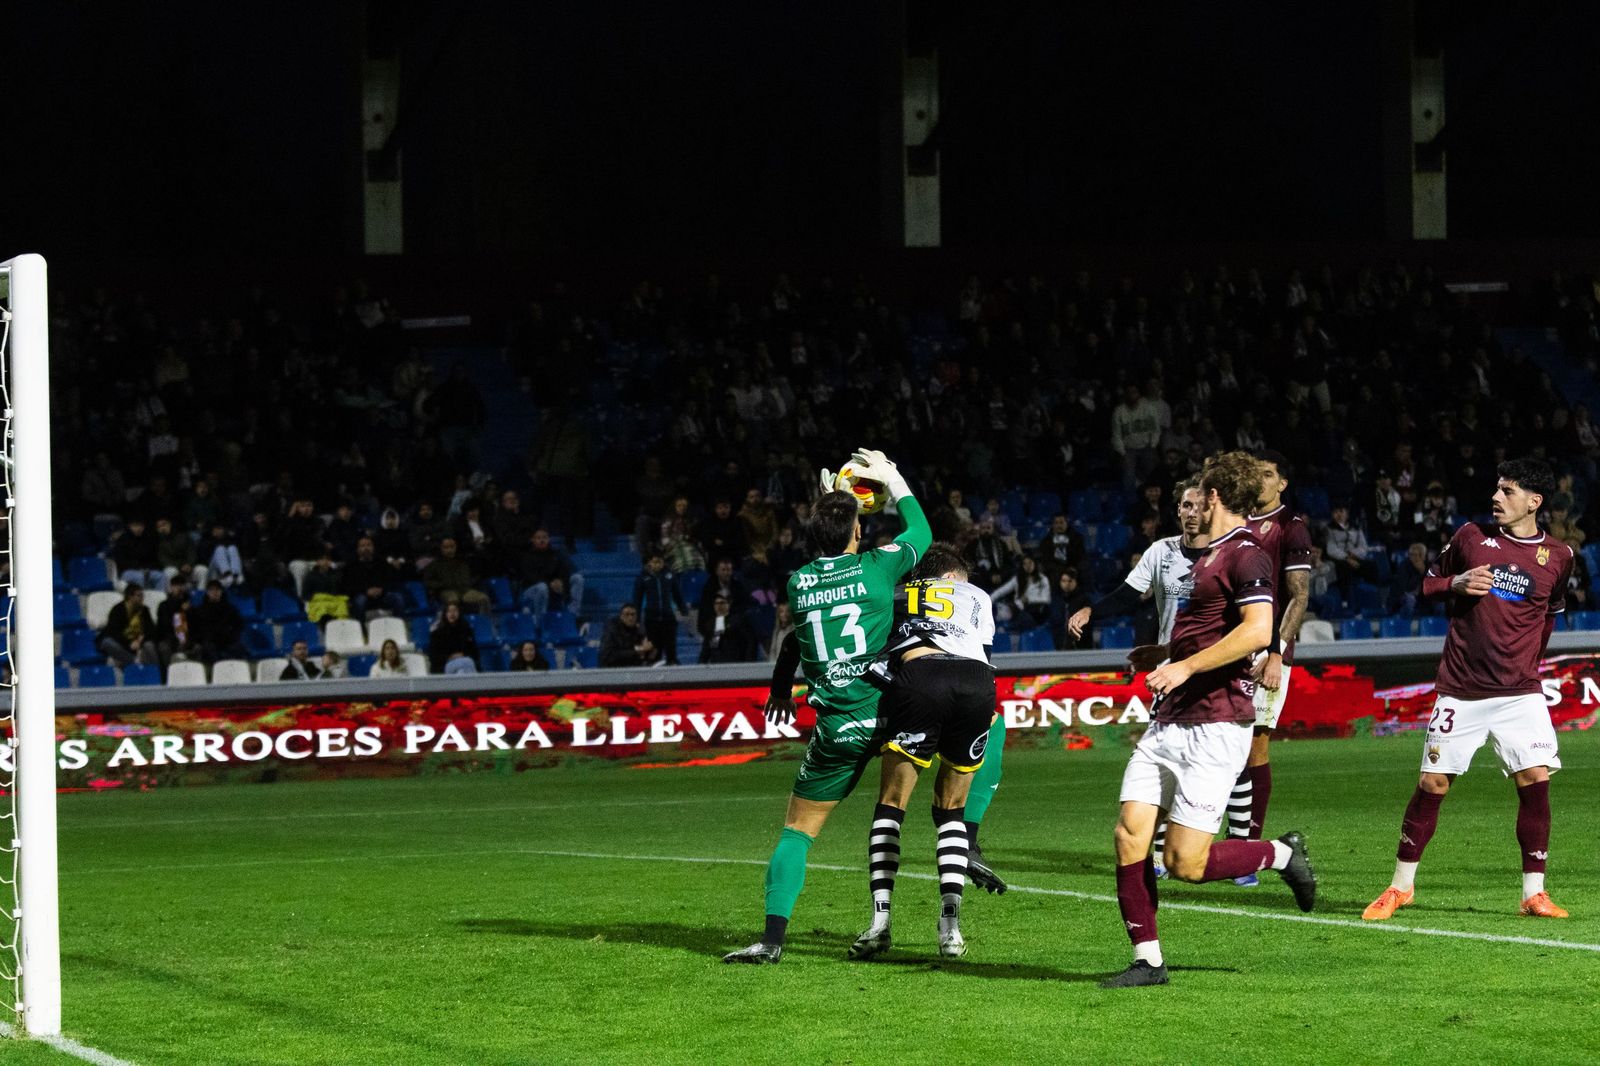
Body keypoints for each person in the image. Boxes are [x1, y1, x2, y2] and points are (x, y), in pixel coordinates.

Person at [1103, 451, 1316, 989]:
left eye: (1202, 492)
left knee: (1186, 864)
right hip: (1170, 719)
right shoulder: (1207, 555)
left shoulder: (1246, 555)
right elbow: (1207, 626)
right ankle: (1148, 961)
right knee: (1130, 833)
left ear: (1215, 496)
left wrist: (1185, 667)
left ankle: (1280, 853)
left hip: (1217, 723)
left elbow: (1256, 631)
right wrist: (1164, 654)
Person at [724, 448, 929, 964]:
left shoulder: (797, 585)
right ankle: (952, 870)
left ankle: (771, 942)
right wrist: (894, 479)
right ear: (858, 534)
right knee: (903, 807)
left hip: (839, 729)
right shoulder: (879, 569)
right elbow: (921, 535)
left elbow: (824, 570)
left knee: (797, 834)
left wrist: (835, 506)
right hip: (891, 716)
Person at [1362, 459, 1574, 923]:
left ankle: (1533, 894)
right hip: (1462, 691)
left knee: (1535, 783)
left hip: (1520, 693)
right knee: (1432, 784)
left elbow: (1550, 615)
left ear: (1534, 502)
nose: (1496, 497)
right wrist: (1455, 583)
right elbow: (1428, 584)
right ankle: (1400, 888)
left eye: (1508, 491)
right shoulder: (1470, 537)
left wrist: (1527, 666)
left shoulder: (1559, 556)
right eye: (1497, 489)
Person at [847, 543, 997, 961]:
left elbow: (873, 658)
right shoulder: (978, 596)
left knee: (892, 805)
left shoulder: (895, 595)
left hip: (922, 676)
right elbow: (983, 652)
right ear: (952, 577)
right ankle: (950, 927)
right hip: (976, 682)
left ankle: (880, 923)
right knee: (951, 812)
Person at [1071, 478, 1209, 868]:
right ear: (1177, 510)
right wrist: (1091, 611)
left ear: (1212, 508)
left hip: (1214, 666)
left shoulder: (1229, 552)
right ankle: (1166, 851)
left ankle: (1242, 841)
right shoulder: (1161, 552)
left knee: (1210, 757)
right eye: (1185, 506)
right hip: (1169, 670)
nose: (1191, 512)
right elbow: (1129, 594)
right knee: (1166, 755)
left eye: (1198, 505)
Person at [1235, 450, 1313, 875]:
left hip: (1265, 651)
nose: (1260, 481)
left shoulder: (1291, 527)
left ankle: (1248, 849)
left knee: (1254, 747)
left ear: (1282, 483)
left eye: (1268, 474)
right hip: (1226, 646)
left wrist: (1275, 653)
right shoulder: (1232, 521)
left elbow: (1298, 595)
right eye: (1254, 475)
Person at [633, 552, 687, 665]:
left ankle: (673, 668)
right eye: (655, 562)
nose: (658, 564)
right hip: (651, 619)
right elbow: (637, 599)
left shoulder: (669, 575)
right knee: (654, 650)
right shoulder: (643, 577)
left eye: (660, 562)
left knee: (671, 648)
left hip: (668, 617)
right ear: (649, 563)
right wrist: (637, 619)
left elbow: (677, 594)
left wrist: (683, 609)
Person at [518, 529, 585, 615]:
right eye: (538, 538)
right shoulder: (526, 556)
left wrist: (561, 582)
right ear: (532, 540)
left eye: (544, 537)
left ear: (549, 539)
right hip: (531, 590)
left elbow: (565, 571)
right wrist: (550, 584)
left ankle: (573, 614)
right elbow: (531, 578)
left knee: (577, 578)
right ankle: (540, 620)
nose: (542, 540)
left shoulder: (556, 554)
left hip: (552, 587)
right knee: (542, 587)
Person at [97, 583, 160, 668]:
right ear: (130, 597)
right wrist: (129, 643)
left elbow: (151, 629)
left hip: (138, 642)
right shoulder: (117, 610)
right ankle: (135, 662)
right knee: (107, 642)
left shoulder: (144, 610)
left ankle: (156, 672)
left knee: (149, 645)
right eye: (139, 596)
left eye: (142, 595)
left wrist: (141, 639)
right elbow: (114, 632)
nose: (142, 598)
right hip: (122, 643)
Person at [422, 537, 492, 613]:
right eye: (446, 547)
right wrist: (442, 584)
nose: (449, 550)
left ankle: (484, 621)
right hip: (446, 591)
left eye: (452, 547)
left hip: (465, 590)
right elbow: (428, 582)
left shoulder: (463, 562)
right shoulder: (434, 565)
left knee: (484, 598)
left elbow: (474, 576)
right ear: (441, 548)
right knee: (452, 599)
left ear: (456, 547)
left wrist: (469, 583)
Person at [189, 579, 248, 663]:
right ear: (207, 592)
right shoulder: (199, 610)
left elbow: (239, 625)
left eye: (217, 590)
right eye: (212, 590)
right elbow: (195, 628)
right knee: (209, 649)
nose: (215, 592)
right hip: (208, 641)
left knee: (239, 648)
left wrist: (232, 635)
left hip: (227, 640)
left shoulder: (230, 609)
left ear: (221, 592)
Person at [990, 555, 1052, 630]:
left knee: (1023, 617)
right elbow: (1002, 590)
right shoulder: (1018, 578)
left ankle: (1008, 628)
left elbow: (1046, 599)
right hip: (1017, 608)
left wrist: (1029, 599)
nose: (1028, 566)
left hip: (1035, 611)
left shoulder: (1042, 579)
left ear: (1034, 563)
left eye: (1030, 563)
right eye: (1025, 564)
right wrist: (990, 599)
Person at [698, 595, 757, 664]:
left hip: (736, 664)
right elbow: (708, 647)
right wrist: (701, 663)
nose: (719, 606)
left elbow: (751, 641)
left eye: (722, 603)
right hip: (717, 665)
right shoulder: (712, 624)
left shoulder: (739, 621)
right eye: (716, 604)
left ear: (729, 604)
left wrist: (749, 662)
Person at [427, 601, 480, 675]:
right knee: (467, 662)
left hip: (463, 663)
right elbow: (434, 656)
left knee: (461, 672)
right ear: (445, 614)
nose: (452, 614)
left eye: (455, 610)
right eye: (449, 611)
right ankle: (477, 685)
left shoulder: (466, 630)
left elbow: (474, 652)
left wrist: (462, 654)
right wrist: (450, 657)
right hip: (445, 665)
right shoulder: (437, 632)